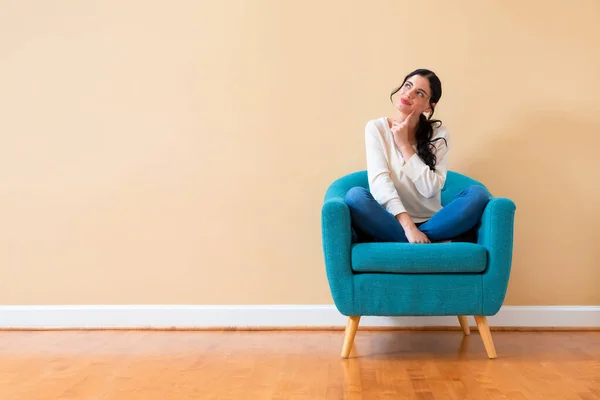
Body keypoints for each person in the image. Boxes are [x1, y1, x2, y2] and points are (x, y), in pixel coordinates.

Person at [343, 69, 490, 244]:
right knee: (355, 197)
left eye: (419, 93)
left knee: (478, 194)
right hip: (392, 221)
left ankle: (413, 240)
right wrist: (409, 228)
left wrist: (404, 145)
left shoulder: (439, 135)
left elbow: (430, 189)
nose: (409, 93)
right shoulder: (376, 128)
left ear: (429, 106)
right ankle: (422, 241)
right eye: (408, 85)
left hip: (434, 221)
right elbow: (380, 183)